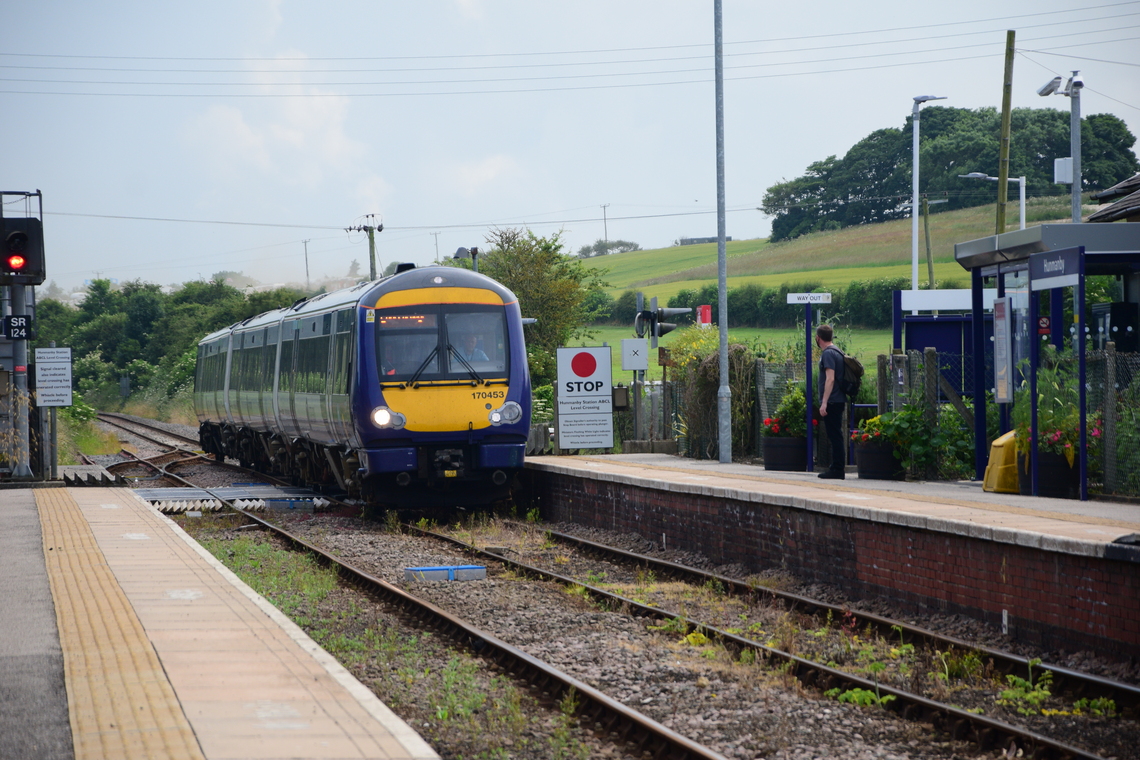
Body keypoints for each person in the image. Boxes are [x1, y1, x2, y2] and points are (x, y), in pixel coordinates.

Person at [816, 324, 847, 479]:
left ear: (818, 338)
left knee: (835, 435)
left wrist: (824, 402)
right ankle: (836, 467)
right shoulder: (838, 352)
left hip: (832, 400)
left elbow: (830, 379)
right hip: (838, 399)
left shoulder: (828, 354)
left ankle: (837, 469)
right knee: (836, 434)